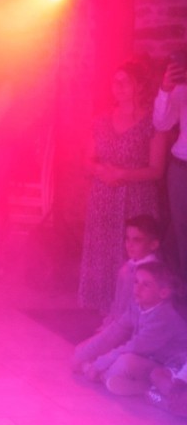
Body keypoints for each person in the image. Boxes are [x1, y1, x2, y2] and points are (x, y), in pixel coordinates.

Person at [80, 62, 167, 310]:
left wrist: (123, 173)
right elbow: (87, 159)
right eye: (114, 82)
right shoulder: (101, 120)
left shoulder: (153, 122)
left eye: (124, 81)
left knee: (134, 253)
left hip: (136, 199)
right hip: (104, 195)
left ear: (138, 86)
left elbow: (156, 169)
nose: (117, 87)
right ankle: (108, 312)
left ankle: (134, 313)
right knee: (105, 253)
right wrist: (101, 171)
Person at [73, 261, 187, 396]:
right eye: (136, 282)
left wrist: (97, 365)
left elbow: (134, 347)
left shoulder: (165, 318)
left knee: (124, 363)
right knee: (83, 350)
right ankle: (114, 379)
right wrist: (81, 354)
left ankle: (148, 388)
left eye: (146, 285)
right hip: (148, 357)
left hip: (170, 367)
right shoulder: (137, 305)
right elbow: (114, 332)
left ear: (163, 293)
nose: (137, 289)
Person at [152, 51, 187, 275]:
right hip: (182, 168)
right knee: (182, 233)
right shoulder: (182, 87)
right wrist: (165, 89)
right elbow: (162, 124)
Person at [100, 215, 162, 327]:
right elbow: (118, 303)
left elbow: (138, 314)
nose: (130, 245)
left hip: (135, 330)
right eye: (127, 239)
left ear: (153, 245)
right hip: (118, 325)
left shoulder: (151, 274)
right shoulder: (127, 268)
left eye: (137, 240)